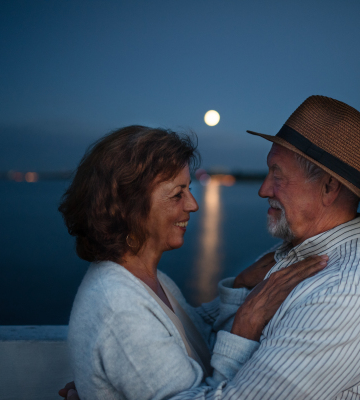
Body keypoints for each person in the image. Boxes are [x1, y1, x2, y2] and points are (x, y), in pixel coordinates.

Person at [58, 126, 327, 400]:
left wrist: (240, 285)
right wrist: (245, 325)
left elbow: (186, 338)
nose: (193, 204)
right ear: (129, 206)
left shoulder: (149, 280)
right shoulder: (118, 307)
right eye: (178, 194)